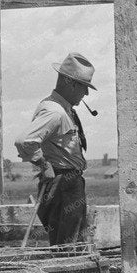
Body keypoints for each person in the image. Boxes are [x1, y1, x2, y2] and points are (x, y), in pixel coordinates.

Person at [14, 52, 96, 246]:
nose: (86, 93)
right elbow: (24, 141)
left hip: (67, 183)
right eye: (84, 87)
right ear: (71, 84)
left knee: (69, 242)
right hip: (63, 183)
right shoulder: (55, 112)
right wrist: (44, 165)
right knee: (68, 245)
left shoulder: (61, 108)